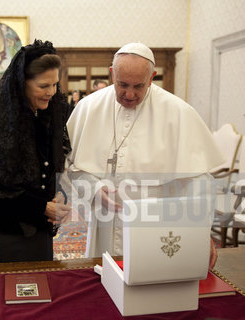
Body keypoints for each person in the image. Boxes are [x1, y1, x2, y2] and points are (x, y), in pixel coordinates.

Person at [66, 42, 225, 270]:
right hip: (105, 222)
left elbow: (198, 181)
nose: (129, 94)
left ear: (152, 78)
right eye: (122, 84)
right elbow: (73, 165)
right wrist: (93, 189)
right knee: (101, 286)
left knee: (151, 282)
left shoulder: (178, 113)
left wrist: (201, 231)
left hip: (156, 225)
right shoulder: (88, 108)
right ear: (112, 74)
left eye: (138, 86)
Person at [0, 39, 72, 263]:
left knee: (43, 288)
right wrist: (42, 207)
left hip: (40, 228)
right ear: (22, 83)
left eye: (55, 84)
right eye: (43, 86)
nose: (52, 92)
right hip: (10, 233)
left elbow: (49, 170)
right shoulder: (3, 128)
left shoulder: (47, 118)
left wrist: (59, 196)